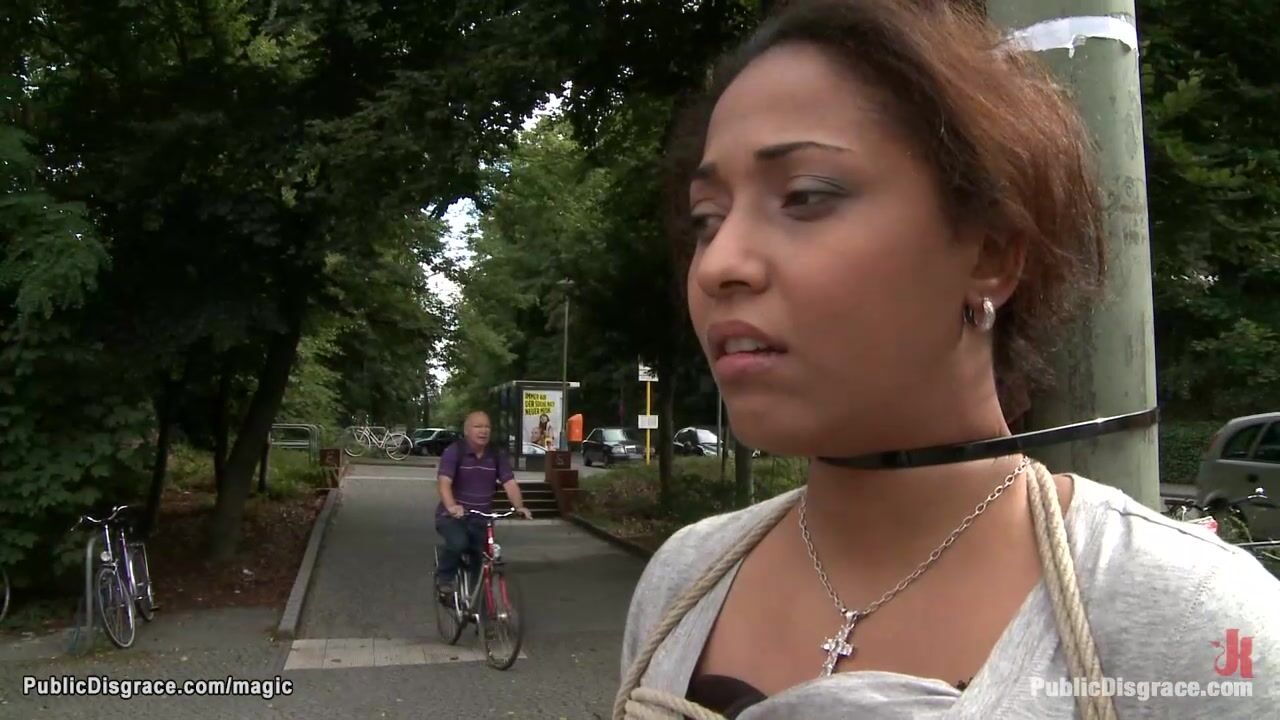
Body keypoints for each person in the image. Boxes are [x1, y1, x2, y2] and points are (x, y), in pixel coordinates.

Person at [615, 1, 1279, 719]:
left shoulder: (1195, 622)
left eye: (804, 197)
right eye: (707, 219)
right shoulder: (683, 580)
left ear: (990, 254)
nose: (720, 263)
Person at [435, 410, 532, 595]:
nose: (483, 430)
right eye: (478, 426)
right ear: (466, 430)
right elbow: (444, 483)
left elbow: (509, 483)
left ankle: (480, 605)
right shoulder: (454, 451)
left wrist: (519, 506)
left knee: (483, 560)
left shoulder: (496, 455)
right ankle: (445, 579)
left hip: (481, 519)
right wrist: (452, 506)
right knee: (458, 543)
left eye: (487, 427)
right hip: (453, 517)